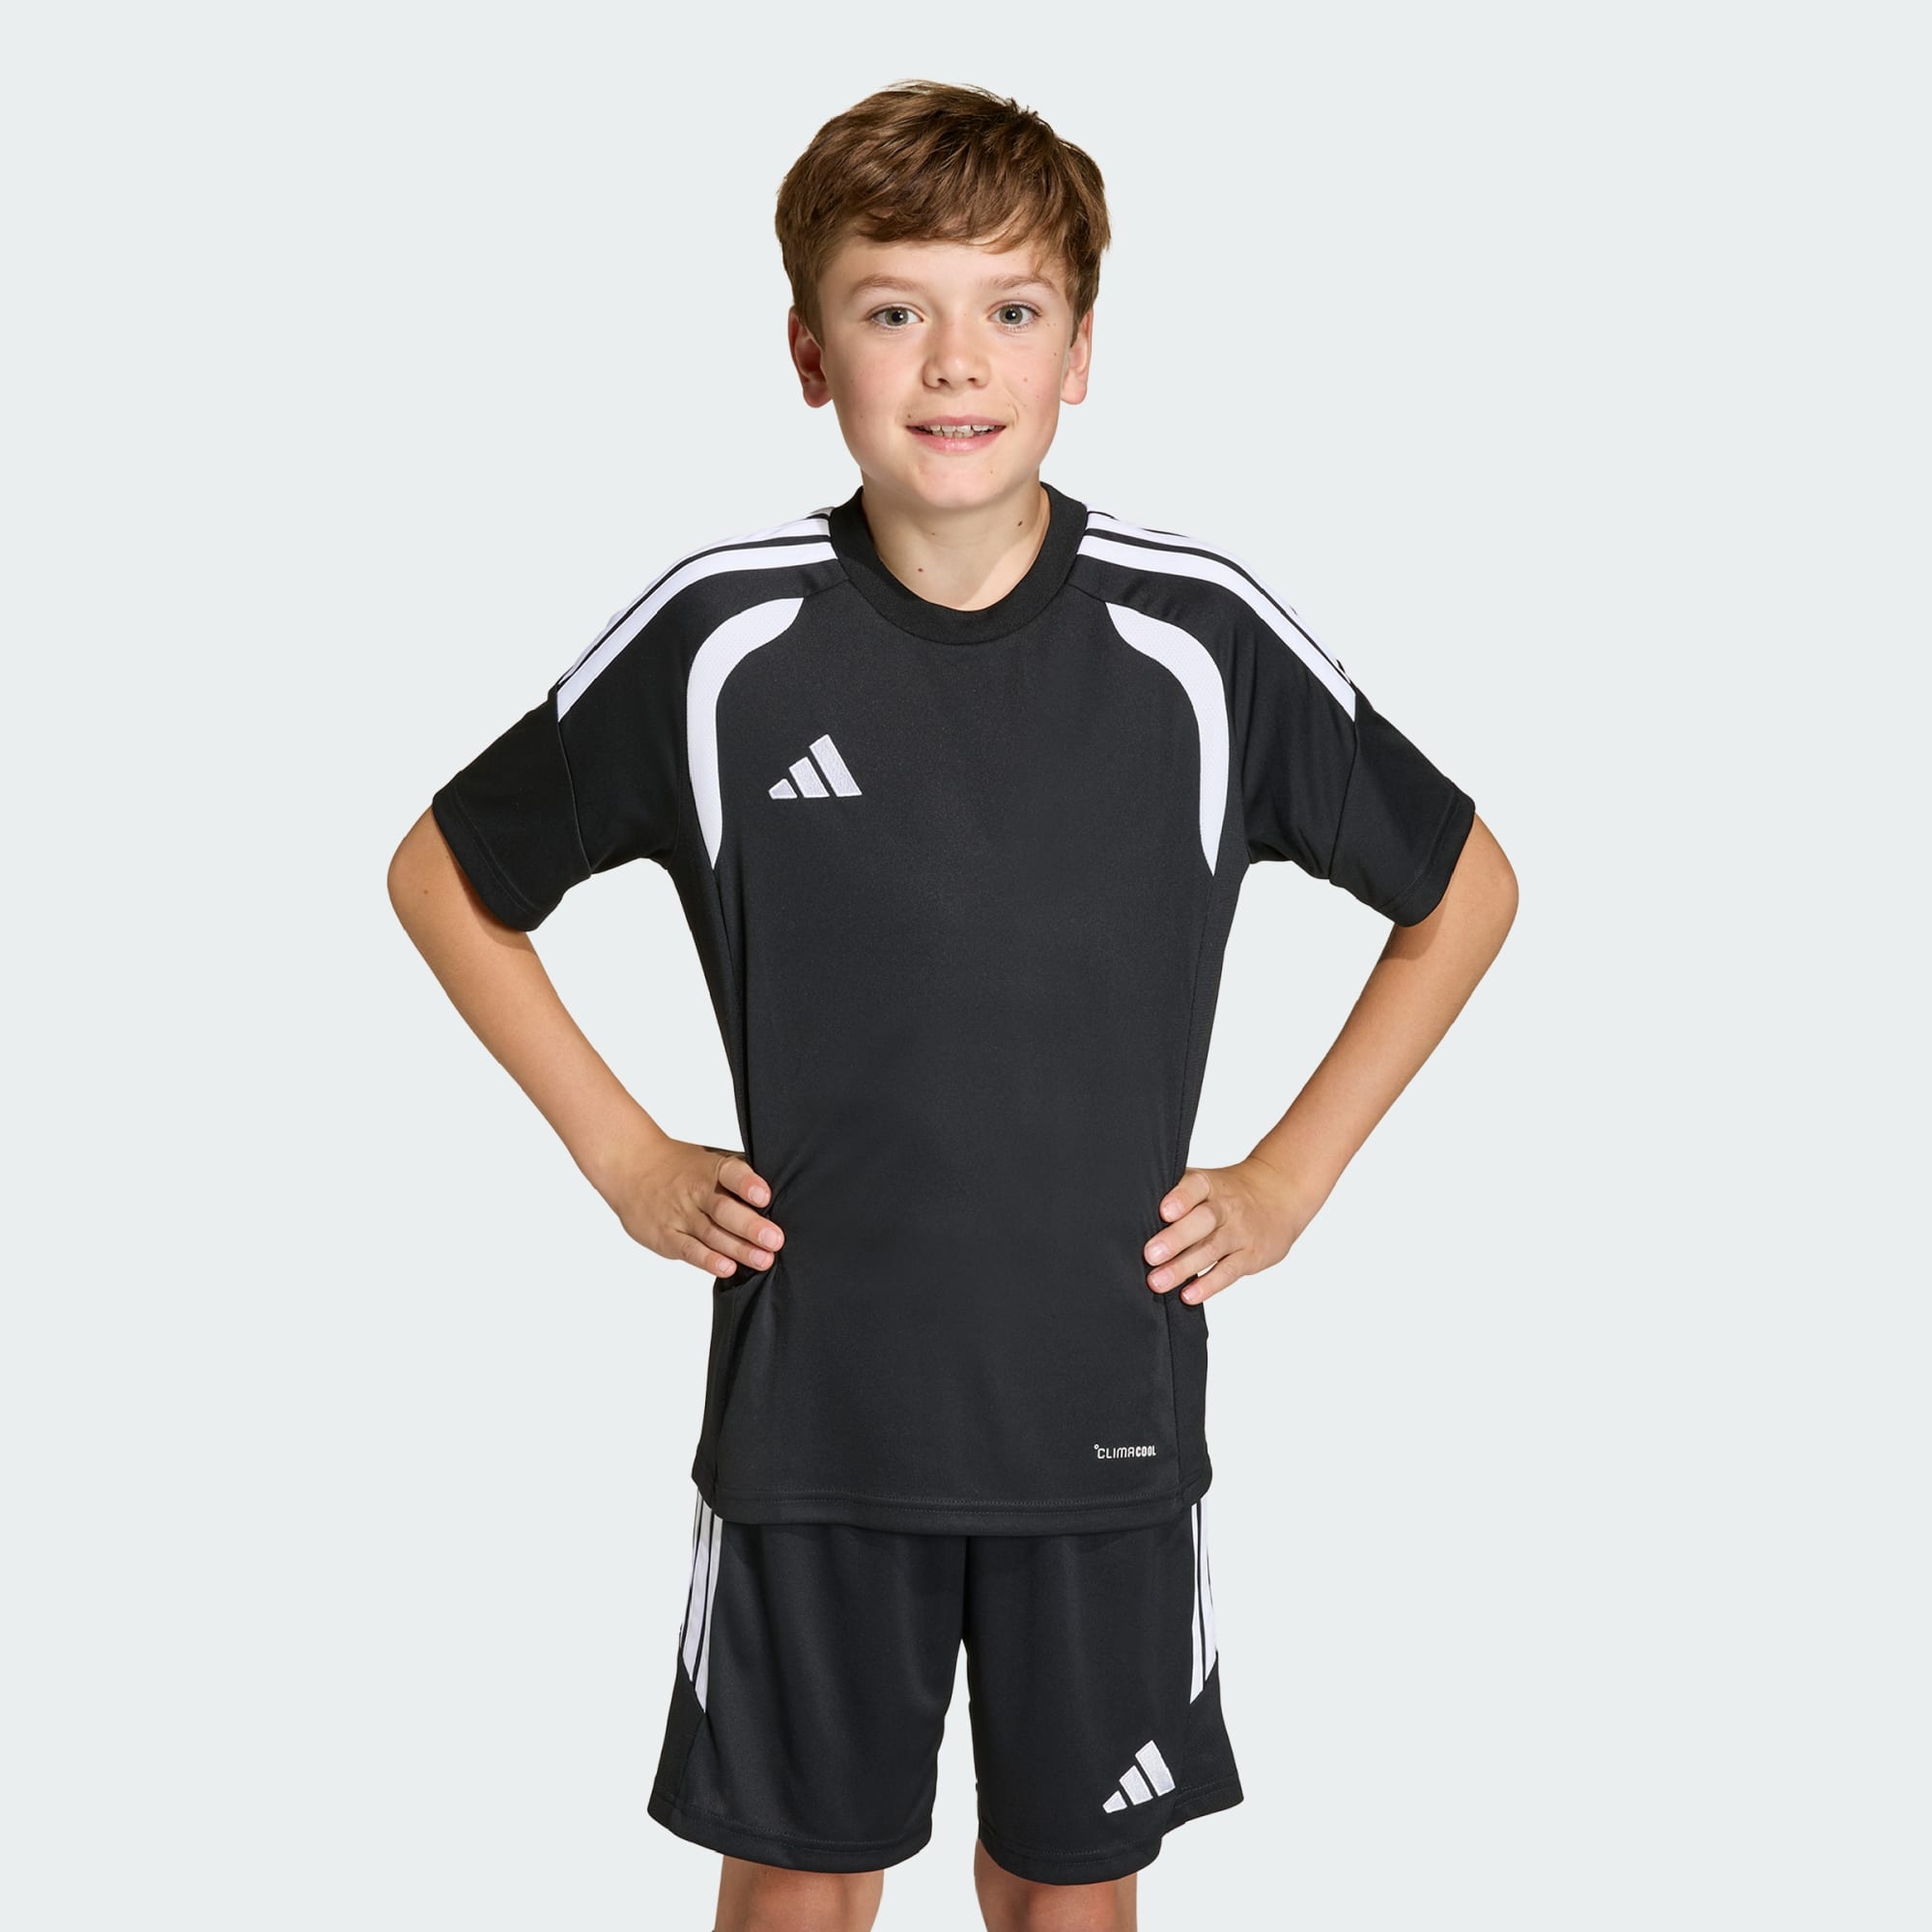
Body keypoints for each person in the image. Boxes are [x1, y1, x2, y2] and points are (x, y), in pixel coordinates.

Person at [388, 77, 1518, 1932]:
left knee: (1068, 1882)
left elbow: (1463, 888)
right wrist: (624, 1156)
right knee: (804, 1876)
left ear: (1082, 350)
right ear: (807, 351)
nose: (954, 362)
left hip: (1102, 1409)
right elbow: (446, 874)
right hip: (818, 1416)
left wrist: (1291, 1178)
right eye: (892, 308)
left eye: (1012, 308)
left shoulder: (1195, 641)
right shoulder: (724, 638)